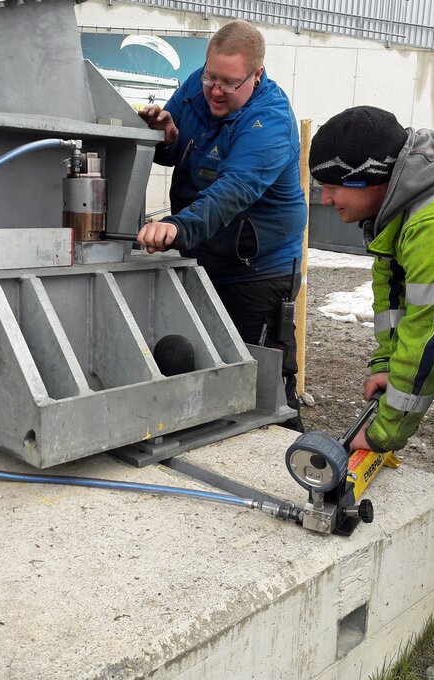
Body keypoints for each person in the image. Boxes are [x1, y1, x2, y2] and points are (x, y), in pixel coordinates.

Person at [309, 105, 434, 604]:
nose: (325, 199)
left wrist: (386, 432)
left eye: (333, 186)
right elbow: (392, 290)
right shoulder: (402, 196)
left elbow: (429, 339)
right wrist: (385, 364)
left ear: (371, 178)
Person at [136, 19, 308, 431]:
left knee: (263, 389)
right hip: (203, 257)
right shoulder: (197, 86)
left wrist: (178, 228)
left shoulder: (270, 121)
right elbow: (175, 150)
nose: (215, 90)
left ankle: (287, 455)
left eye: (229, 83)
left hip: (257, 271)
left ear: (256, 75)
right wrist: (165, 138)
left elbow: (233, 190)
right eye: (210, 77)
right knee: (203, 367)